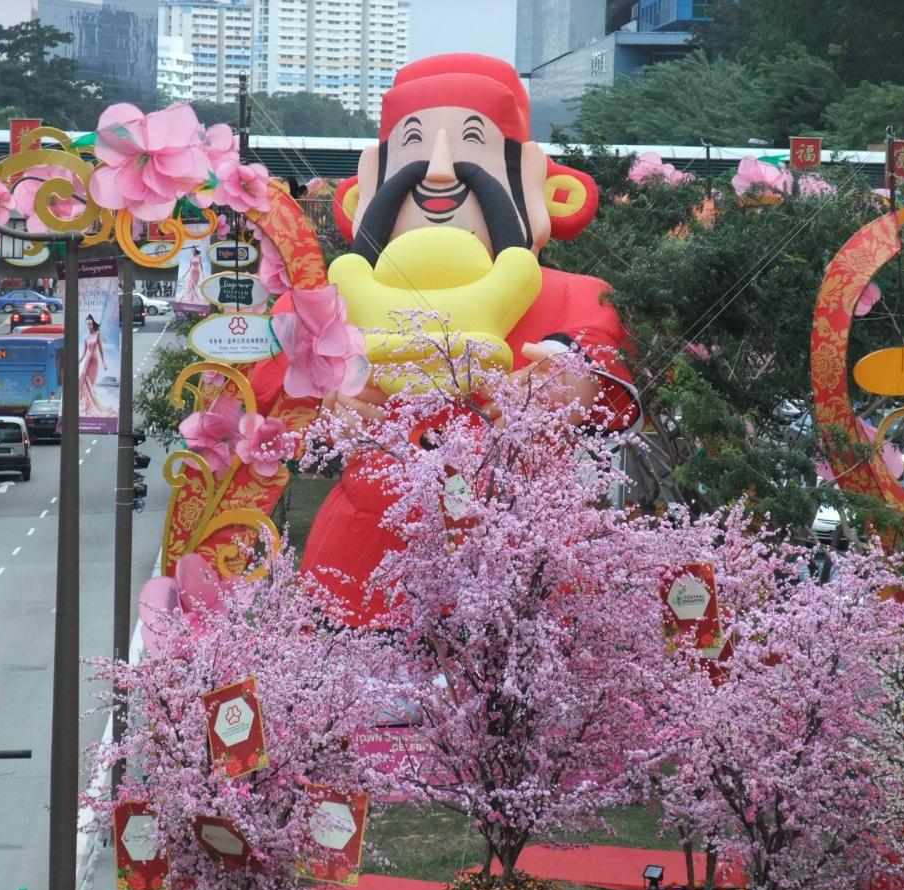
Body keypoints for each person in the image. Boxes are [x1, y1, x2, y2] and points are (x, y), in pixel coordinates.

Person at [248, 53, 640, 623]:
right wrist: (325, 403)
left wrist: (566, 376)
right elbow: (262, 388)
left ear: (534, 181)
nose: (437, 172)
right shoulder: (327, 305)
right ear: (368, 189)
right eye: (413, 145)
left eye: (471, 145)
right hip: (362, 571)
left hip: (527, 576)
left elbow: (605, 358)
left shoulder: (571, 296)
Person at [79, 314, 111, 415]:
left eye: (90, 324)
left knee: (90, 385)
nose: (89, 326)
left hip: (94, 363)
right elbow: (84, 353)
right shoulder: (85, 337)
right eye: (87, 324)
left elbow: (101, 349)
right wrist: (78, 362)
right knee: (84, 383)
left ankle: (94, 405)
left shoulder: (97, 334)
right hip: (87, 362)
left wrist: (104, 362)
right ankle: (86, 406)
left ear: (93, 324)